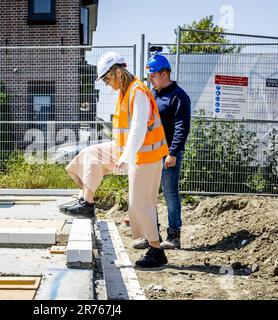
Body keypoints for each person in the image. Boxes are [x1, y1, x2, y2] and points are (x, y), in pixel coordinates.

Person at [60, 51, 170, 268]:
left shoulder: (138, 91)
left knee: (140, 204)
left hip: (146, 156)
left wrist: (127, 156)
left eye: (108, 79)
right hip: (125, 149)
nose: (108, 84)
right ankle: (86, 203)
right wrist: (124, 153)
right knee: (90, 155)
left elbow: (138, 128)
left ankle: (157, 251)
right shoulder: (124, 91)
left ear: (118, 72)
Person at [131, 52, 191, 250]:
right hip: (151, 153)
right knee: (149, 195)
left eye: (153, 76)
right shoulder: (153, 95)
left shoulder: (179, 97)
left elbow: (182, 127)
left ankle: (174, 236)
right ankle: (151, 236)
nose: (151, 80)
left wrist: (173, 153)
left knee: (170, 192)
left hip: (168, 155)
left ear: (165, 74)